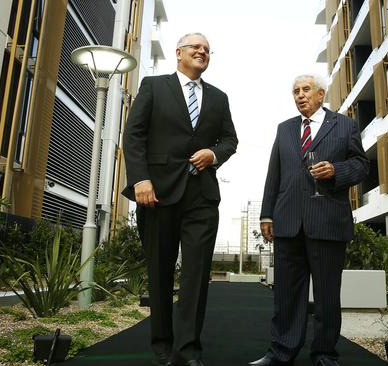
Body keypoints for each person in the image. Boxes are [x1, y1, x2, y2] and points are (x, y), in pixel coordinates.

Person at [122, 32, 238, 366]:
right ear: (178, 53)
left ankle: (187, 351)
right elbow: (134, 136)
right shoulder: (154, 86)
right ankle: (162, 347)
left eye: (207, 49)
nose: (202, 51)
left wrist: (213, 154)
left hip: (201, 196)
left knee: (196, 275)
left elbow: (230, 139)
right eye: (195, 47)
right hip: (156, 194)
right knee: (159, 273)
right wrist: (140, 178)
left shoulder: (219, 98)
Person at [250, 74, 368, 366]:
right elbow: (273, 175)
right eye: (295, 91)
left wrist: (336, 171)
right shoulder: (286, 129)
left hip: (327, 221)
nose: (300, 95)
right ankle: (281, 352)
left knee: (327, 296)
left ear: (320, 94)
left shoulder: (344, 126)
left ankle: (325, 355)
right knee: (286, 296)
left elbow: (361, 165)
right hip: (288, 222)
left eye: (306, 90)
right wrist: (267, 213)